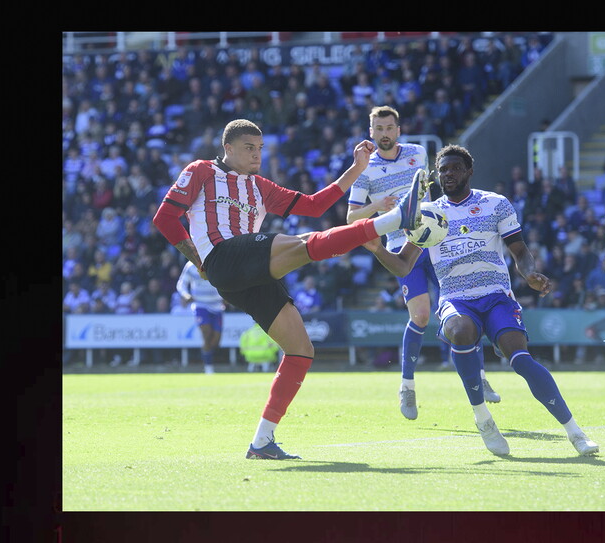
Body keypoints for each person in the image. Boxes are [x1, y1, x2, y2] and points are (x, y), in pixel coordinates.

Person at [152, 118, 426, 460]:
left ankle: (262, 442)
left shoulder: (261, 186)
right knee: (302, 244)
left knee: (301, 349)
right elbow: (164, 217)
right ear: (228, 148)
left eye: (261, 149)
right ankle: (395, 220)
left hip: (247, 275)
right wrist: (197, 259)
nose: (257, 156)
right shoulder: (201, 170)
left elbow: (314, 206)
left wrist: (357, 168)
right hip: (223, 256)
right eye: (249, 149)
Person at [364, 144, 599, 457]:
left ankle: (576, 433)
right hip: (456, 299)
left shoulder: (495, 204)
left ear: (468, 171)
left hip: (497, 296)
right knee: (461, 332)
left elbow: (519, 250)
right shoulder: (428, 215)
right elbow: (404, 264)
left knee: (521, 358)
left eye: (454, 168)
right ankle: (483, 418)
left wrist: (529, 273)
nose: (447, 174)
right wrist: (379, 250)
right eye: (442, 170)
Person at [346, 106, 500, 421]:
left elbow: (432, 193)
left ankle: (480, 375)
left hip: (439, 240)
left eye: (389, 127)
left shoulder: (416, 153)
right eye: (379, 129)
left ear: (398, 130)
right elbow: (351, 217)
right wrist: (377, 205)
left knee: (466, 303)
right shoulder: (365, 169)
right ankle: (407, 386)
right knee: (420, 315)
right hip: (403, 246)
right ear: (371, 131)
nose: (385, 133)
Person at [176, 260, 227, 374]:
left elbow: (228, 279)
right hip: (200, 305)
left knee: (216, 341)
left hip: (217, 305)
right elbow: (181, 284)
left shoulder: (217, 261)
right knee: (206, 333)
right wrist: (186, 295)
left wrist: (228, 295)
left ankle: (208, 356)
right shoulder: (190, 266)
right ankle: (208, 367)